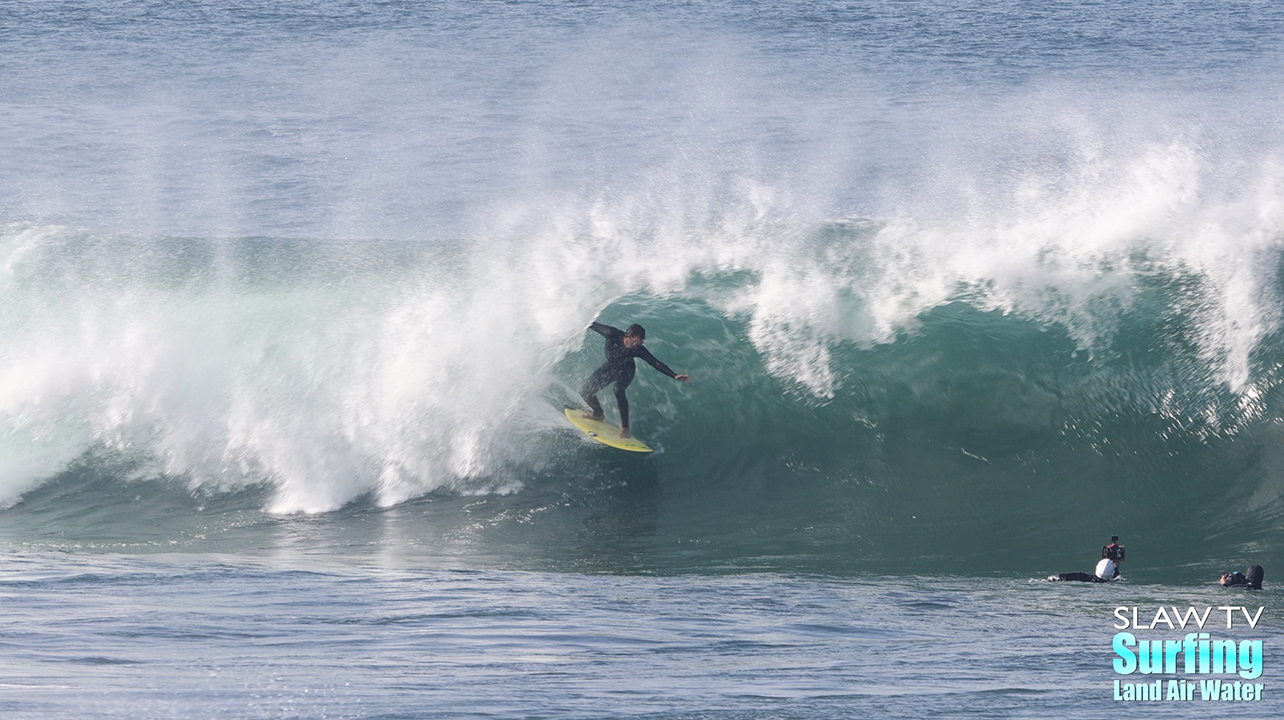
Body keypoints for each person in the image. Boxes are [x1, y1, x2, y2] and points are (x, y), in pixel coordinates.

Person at [580, 322, 689, 438]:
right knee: (585, 392)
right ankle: (598, 414)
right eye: (637, 341)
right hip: (610, 367)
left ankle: (625, 428)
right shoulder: (612, 334)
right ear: (628, 336)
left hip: (627, 370)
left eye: (642, 341)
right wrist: (580, 319)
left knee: (618, 390)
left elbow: (655, 362)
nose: (639, 344)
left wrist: (673, 375)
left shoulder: (639, 349)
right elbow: (591, 323)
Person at [1048, 535, 1125, 583]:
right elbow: (1114, 574)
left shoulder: (1085, 578)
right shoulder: (1113, 579)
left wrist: (1057, 577)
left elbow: (1076, 575)